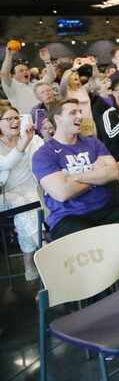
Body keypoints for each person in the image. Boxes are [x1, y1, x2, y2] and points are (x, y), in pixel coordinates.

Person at [31, 98, 119, 242]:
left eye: (80, 112)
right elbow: (62, 192)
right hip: (68, 217)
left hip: (105, 210)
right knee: (98, 244)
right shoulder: (44, 154)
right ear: (58, 119)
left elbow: (113, 173)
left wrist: (73, 177)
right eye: (73, 112)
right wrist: (97, 176)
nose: (80, 116)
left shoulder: (92, 142)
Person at [0, 104, 44, 280]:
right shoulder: (25, 139)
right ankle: (47, 251)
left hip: (32, 189)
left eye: (16, 117)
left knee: (28, 211)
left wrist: (44, 136)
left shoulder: (32, 138)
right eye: (8, 118)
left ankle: (30, 267)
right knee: (22, 204)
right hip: (4, 194)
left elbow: (44, 154)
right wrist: (23, 143)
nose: (14, 121)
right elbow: (4, 165)